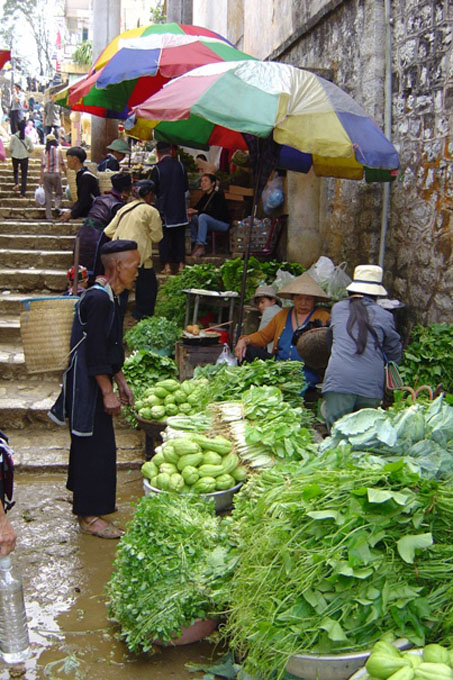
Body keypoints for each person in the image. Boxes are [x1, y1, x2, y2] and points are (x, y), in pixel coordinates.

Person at [49, 240, 140, 539]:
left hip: (96, 379)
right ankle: (89, 515)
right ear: (117, 266)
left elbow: (110, 347)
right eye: (134, 266)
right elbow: (95, 352)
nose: (137, 272)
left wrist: (121, 381)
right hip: (88, 384)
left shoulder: (110, 296)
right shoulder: (99, 300)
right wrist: (107, 391)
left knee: (93, 444)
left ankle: (84, 503)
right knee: (95, 448)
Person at [322, 264, 402, 429]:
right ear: (376, 294)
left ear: (352, 290)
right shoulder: (385, 316)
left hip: (339, 382)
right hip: (371, 386)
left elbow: (331, 339)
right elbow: (394, 351)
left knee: (336, 436)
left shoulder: (337, 309)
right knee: (363, 438)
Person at [235, 272, 331, 387]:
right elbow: (264, 336)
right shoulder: (283, 315)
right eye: (299, 298)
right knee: (248, 351)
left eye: (308, 299)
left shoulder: (323, 316)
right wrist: (244, 340)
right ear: (293, 298)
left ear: (314, 300)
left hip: (307, 369)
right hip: (279, 365)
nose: (303, 303)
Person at [104, 179, 163, 320]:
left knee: (120, 290)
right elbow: (157, 237)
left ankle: (116, 315)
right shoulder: (151, 211)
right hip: (138, 257)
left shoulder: (124, 208)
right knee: (148, 288)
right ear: (148, 194)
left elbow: (108, 231)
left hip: (117, 255)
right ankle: (142, 316)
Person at [76, 171, 132, 283]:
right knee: (95, 271)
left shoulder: (100, 198)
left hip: (83, 233)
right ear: (126, 190)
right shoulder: (117, 205)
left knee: (82, 271)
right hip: (98, 238)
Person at [150, 140, 188, 274]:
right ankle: (181, 265)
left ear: (158, 153)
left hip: (164, 208)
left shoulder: (157, 169)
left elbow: (152, 189)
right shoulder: (180, 166)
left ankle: (167, 266)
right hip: (179, 207)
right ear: (171, 151)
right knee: (179, 237)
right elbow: (185, 187)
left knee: (164, 238)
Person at [188, 173, 230, 258]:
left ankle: (201, 245)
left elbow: (214, 213)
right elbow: (198, 208)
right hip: (208, 221)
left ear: (213, 183)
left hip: (221, 224)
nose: (203, 183)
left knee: (202, 217)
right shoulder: (205, 196)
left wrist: (196, 211)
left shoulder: (218, 195)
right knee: (193, 217)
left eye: (206, 181)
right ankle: (194, 242)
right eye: (202, 181)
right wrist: (190, 211)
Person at [58, 147, 100, 222]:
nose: (67, 162)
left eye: (68, 159)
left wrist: (72, 214)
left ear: (75, 160)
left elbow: (84, 200)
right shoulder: (81, 175)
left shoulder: (86, 177)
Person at [248, 285, 282, 359]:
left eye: (263, 302)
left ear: (273, 301)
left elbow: (261, 339)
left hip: (275, 355)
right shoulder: (279, 311)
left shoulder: (269, 311)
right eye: (258, 303)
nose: (260, 306)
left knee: (249, 349)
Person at [40, 133, 67, 220]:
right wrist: (66, 174)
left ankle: (49, 216)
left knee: (48, 195)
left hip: (46, 174)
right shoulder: (58, 150)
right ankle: (56, 206)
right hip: (56, 174)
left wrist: (40, 179)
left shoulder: (44, 151)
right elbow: (62, 163)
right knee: (59, 193)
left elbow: (42, 166)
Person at [9, 119, 34, 198]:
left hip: (15, 156)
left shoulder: (13, 137)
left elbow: (10, 148)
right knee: (24, 175)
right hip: (25, 157)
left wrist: (14, 151)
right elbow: (32, 148)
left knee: (15, 171)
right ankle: (22, 193)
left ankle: (16, 183)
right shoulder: (27, 138)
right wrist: (27, 151)